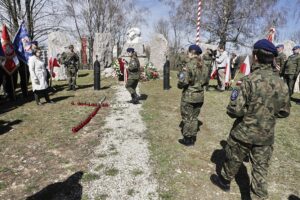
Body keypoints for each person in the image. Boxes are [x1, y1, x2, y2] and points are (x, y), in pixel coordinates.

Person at [210, 39, 290, 199]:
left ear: (255, 56)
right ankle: (258, 195)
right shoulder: (282, 84)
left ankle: (224, 181)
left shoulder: (248, 81)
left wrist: (248, 112)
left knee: (234, 157)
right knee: (260, 169)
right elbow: (284, 111)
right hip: (266, 135)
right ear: (272, 59)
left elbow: (235, 110)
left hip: (244, 132)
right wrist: (266, 116)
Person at [177, 44, 207, 146]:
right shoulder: (204, 66)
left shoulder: (188, 65)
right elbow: (206, 81)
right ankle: (192, 138)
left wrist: (179, 84)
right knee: (194, 118)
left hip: (189, 96)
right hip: (200, 96)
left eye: (188, 52)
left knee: (186, 118)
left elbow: (183, 82)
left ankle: (187, 138)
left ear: (191, 53)